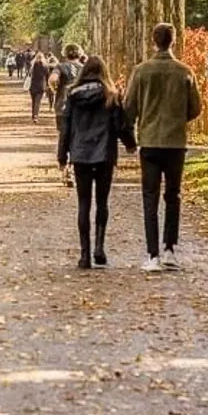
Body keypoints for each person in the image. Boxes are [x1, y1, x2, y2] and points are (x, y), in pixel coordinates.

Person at [123, 23, 202, 271]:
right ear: (174, 41)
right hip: (175, 142)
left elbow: (129, 107)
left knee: (150, 197)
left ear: (153, 41)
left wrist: (136, 128)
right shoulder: (185, 71)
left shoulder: (141, 71)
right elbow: (195, 108)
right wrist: (177, 120)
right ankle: (170, 248)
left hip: (149, 141)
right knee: (173, 196)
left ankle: (152, 254)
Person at [57, 55, 136, 269]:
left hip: (81, 154)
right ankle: (99, 247)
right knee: (102, 202)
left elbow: (66, 127)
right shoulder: (111, 95)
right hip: (104, 154)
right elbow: (120, 125)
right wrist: (130, 143)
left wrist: (62, 156)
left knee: (84, 203)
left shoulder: (72, 96)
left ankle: (84, 255)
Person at [50, 44, 85, 184]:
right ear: (79, 54)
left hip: (62, 106)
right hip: (80, 107)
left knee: (63, 137)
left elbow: (52, 79)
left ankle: (64, 167)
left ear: (65, 54)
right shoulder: (84, 69)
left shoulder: (60, 67)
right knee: (77, 137)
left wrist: (55, 89)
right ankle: (73, 166)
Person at [28, 51, 50, 123]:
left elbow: (29, 74)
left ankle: (33, 115)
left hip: (33, 85)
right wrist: (47, 85)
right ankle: (35, 116)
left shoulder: (33, 65)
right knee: (38, 102)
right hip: (41, 86)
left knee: (34, 101)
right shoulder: (45, 66)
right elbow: (47, 76)